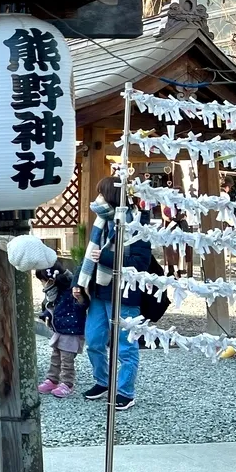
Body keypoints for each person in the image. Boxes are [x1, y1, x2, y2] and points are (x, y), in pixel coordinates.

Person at [75, 176, 153, 411]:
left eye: (100, 193)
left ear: (110, 196)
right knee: (94, 340)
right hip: (98, 290)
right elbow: (89, 255)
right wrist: (77, 282)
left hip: (124, 292)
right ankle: (103, 381)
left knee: (125, 346)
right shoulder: (102, 221)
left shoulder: (136, 223)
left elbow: (142, 262)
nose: (96, 199)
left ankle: (125, 391)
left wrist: (107, 257)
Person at [35, 262, 87, 399]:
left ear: (51, 280)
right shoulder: (56, 292)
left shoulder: (71, 290)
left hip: (72, 330)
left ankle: (67, 383)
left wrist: (80, 298)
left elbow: (82, 304)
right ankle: (52, 379)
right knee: (55, 356)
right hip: (60, 329)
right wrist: (46, 314)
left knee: (67, 359)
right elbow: (52, 307)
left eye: (43, 281)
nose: (43, 284)